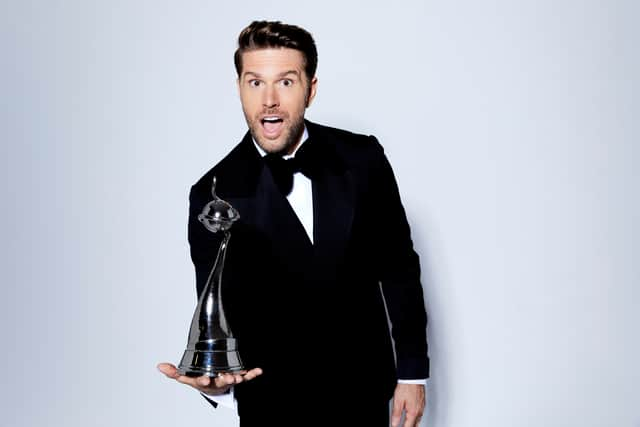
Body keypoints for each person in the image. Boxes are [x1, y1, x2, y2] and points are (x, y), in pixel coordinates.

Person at [158, 20, 429, 427]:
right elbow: (215, 314)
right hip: (274, 404)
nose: (268, 100)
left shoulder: (362, 158)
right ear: (239, 89)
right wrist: (216, 384)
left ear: (310, 89)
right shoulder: (212, 194)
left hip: (366, 395)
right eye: (254, 83)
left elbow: (398, 266)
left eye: (285, 82)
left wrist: (412, 372)